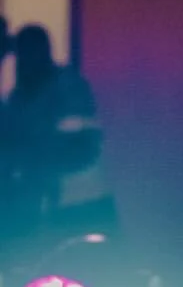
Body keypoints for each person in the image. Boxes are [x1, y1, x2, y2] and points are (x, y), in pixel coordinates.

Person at [1, 24, 115, 242]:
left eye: (31, 51)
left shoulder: (68, 87)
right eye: (22, 53)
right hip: (42, 203)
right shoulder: (18, 98)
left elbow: (81, 144)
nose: (25, 60)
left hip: (77, 200)